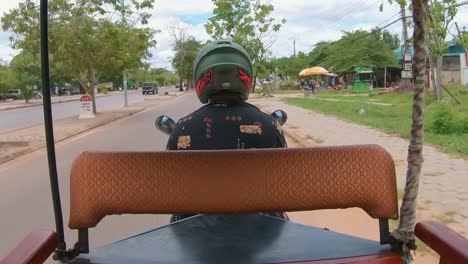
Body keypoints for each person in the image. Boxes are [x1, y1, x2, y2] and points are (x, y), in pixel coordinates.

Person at [166, 40, 288, 222]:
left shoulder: (184, 127)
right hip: (263, 226)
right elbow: (283, 177)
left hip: (193, 228)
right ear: (245, 77)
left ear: (202, 78)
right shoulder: (270, 125)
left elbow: (171, 182)